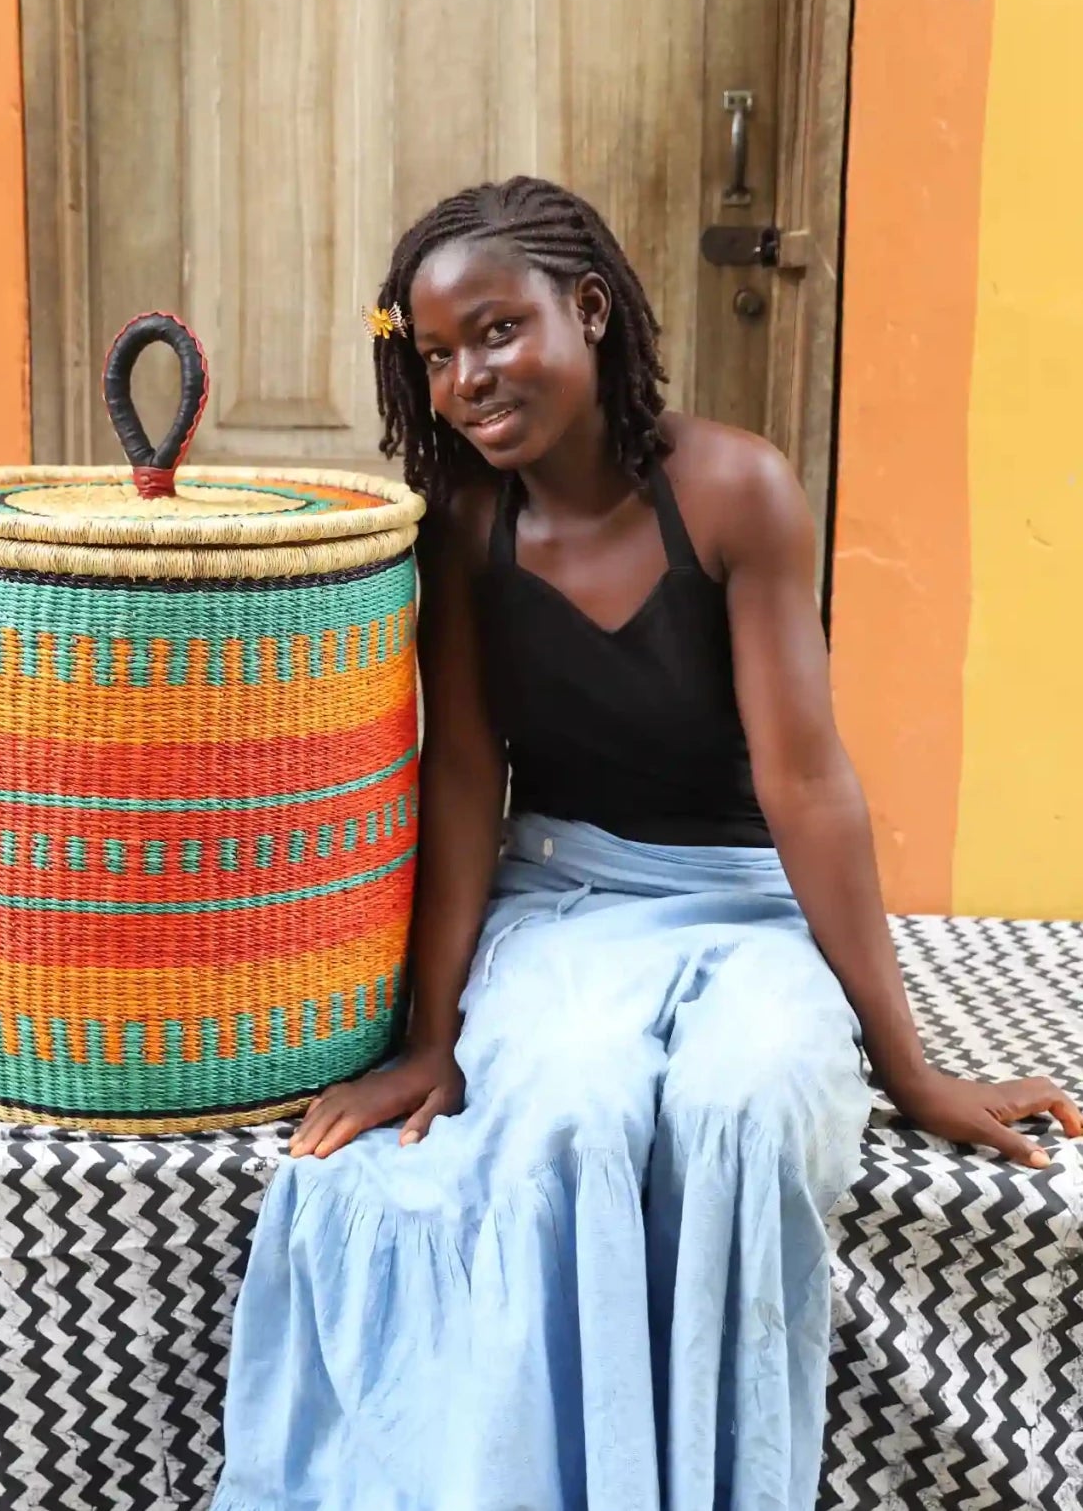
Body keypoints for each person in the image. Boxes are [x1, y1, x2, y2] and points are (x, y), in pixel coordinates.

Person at [211, 177, 1080, 1511]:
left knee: (748, 1110)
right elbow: (458, 779)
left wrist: (908, 1068)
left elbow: (806, 782)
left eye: (496, 331)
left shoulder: (734, 490)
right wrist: (429, 1035)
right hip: (562, 899)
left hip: (746, 903)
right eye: (434, 356)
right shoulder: (463, 526)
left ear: (593, 309)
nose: (465, 380)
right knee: (563, 1109)